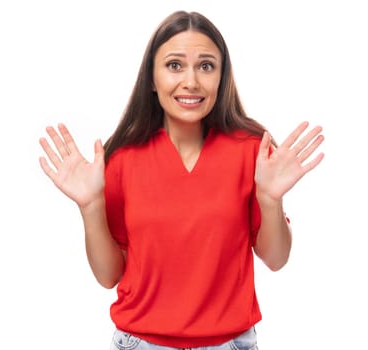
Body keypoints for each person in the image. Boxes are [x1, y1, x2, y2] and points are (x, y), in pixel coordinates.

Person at [39, 10, 324, 350]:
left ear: (222, 76)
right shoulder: (123, 158)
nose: (191, 81)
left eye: (206, 66)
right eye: (174, 65)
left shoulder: (251, 150)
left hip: (229, 343)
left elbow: (276, 259)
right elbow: (108, 275)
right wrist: (90, 206)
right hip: (140, 342)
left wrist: (270, 198)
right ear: (152, 77)